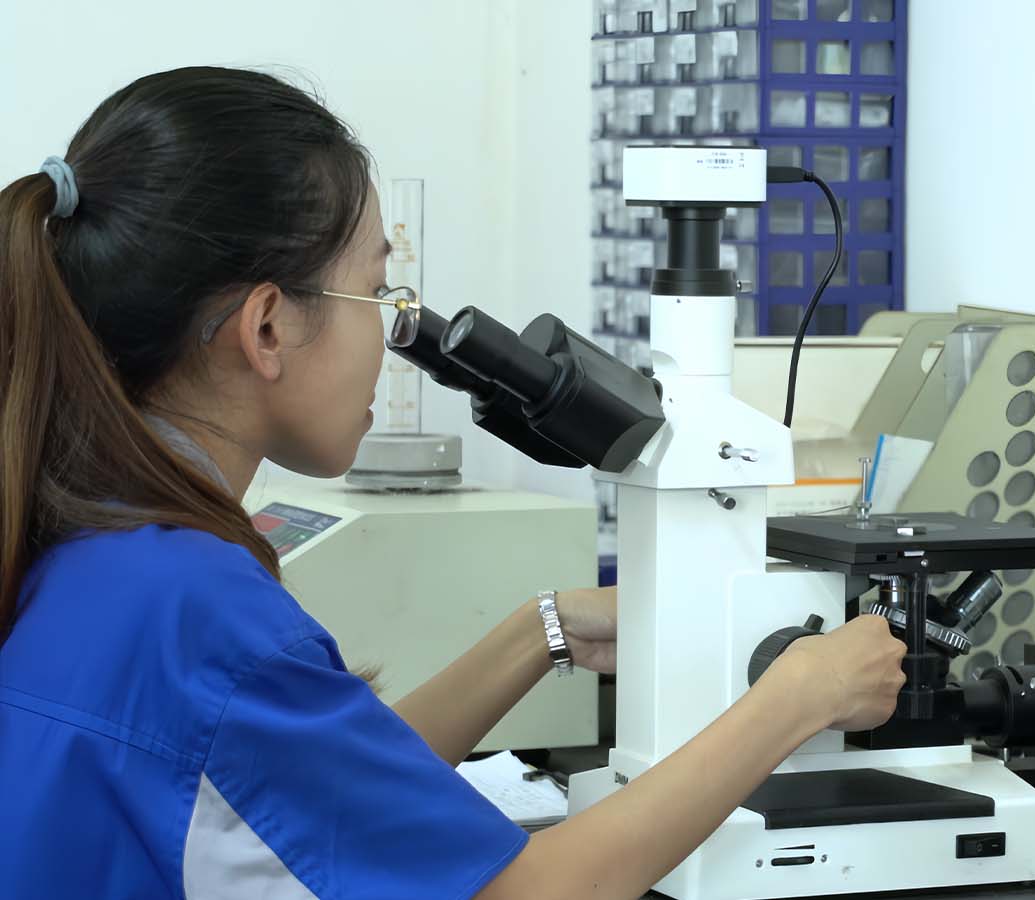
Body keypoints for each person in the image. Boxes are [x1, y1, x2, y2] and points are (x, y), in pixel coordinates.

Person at [0, 66, 907, 899]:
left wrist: (543, 630)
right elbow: (522, 893)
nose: (393, 336)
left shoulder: (97, 543)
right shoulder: (203, 616)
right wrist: (800, 698)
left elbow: (338, 800)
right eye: (378, 295)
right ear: (268, 328)